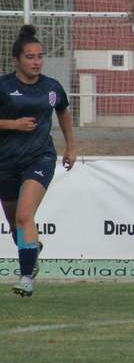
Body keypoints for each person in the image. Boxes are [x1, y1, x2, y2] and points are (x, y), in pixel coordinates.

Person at [0, 24, 76, 297]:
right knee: (14, 226)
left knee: (24, 215)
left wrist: (70, 147)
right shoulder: (4, 86)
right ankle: (32, 253)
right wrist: (12, 124)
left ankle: (26, 278)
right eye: (30, 57)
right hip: (6, 162)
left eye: (40, 56)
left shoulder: (51, 87)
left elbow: (63, 112)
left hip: (40, 157)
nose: (37, 62)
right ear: (16, 60)